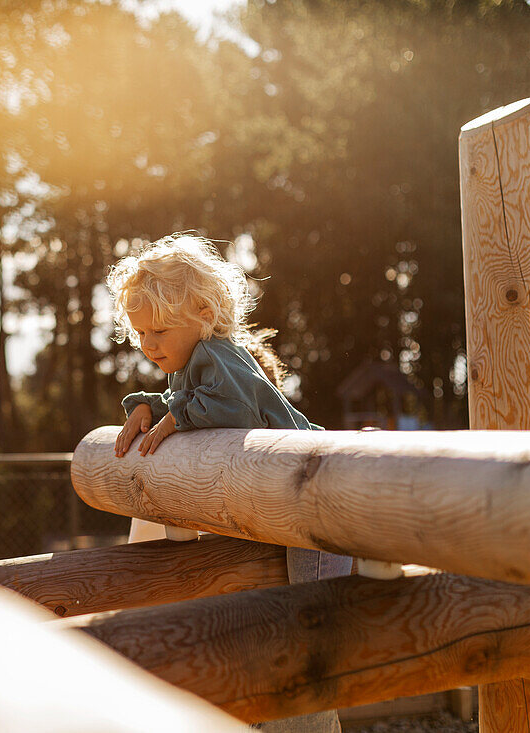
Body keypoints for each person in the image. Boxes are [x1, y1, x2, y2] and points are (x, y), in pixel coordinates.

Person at [107, 232, 351, 733]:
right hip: (289, 496)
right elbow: (191, 401)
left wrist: (171, 419)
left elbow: (232, 410)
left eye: (158, 332)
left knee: (312, 628)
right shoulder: (193, 364)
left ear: (201, 313)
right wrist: (148, 404)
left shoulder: (220, 355)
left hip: (318, 493)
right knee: (285, 630)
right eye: (141, 334)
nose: (148, 345)